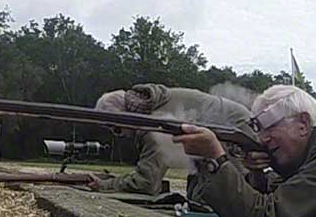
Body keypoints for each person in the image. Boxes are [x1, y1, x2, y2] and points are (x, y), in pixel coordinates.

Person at [172, 84, 316, 217]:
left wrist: (215, 158)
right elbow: (275, 199)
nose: (262, 139)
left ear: (303, 124)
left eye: (269, 128)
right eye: (260, 131)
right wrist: (258, 174)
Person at [94, 83, 255, 201]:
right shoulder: (156, 103)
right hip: (233, 128)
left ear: (123, 116)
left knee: (233, 201)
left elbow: (146, 184)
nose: (118, 135)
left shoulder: (155, 123)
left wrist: (104, 185)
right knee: (198, 197)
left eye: (116, 128)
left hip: (236, 135)